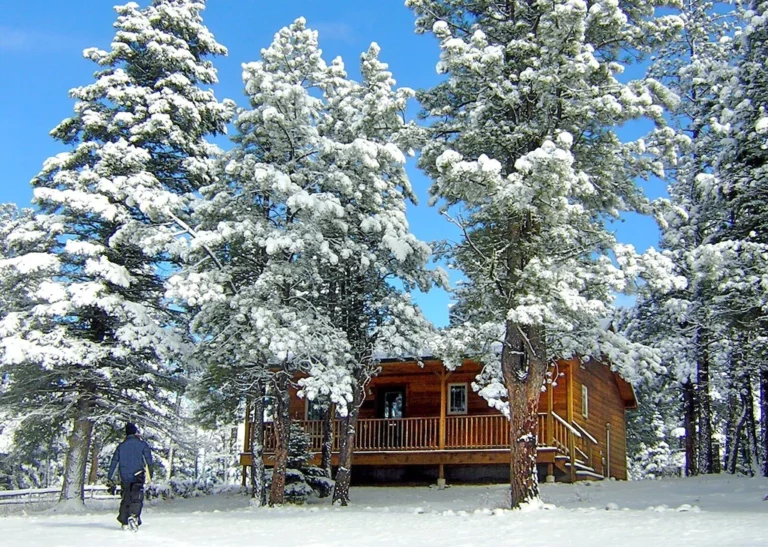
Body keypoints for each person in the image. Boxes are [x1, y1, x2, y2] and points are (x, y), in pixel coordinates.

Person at [107, 422, 153, 531]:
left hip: (125, 476)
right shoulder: (142, 445)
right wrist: (150, 475)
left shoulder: (121, 446)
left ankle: (124, 521)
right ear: (135, 432)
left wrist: (110, 477)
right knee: (136, 497)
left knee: (126, 497)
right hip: (138, 475)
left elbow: (114, 463)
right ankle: (134, 516)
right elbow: (148, 461)